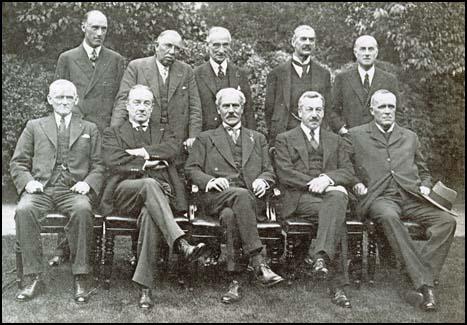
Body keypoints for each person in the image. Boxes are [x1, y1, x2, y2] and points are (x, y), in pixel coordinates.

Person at [346, 89, 457, 311]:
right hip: (380, 197)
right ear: (372, 110)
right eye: (382, 107)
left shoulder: (409, 136)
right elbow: (345, 167)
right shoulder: (355, 135)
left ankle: (413, 274)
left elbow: (424, 170)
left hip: (412, 196)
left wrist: (425, 185)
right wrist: (356, 183)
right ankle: (424, 285)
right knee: (388, 216)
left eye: (391, 107)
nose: (387, 111)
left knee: (447, 221)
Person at [101, 85, 207, 309]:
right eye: (137, 103)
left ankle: (145, 288)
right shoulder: (113, 132)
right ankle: (180, 242)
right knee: (149, 183)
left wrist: (138, 153)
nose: (141, 108)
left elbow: (172, 149)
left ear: (152, 108)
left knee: (150, 215)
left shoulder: (164, 131)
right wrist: (149, 161)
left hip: (160, 196)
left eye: (146, 103)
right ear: (127, 106)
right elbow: (112, 158)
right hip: (125, 193)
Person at [185, 88, 284, 304]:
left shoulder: (257, 138)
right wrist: (210, 181)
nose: (231, 110)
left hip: (247, 203)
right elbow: (191, 169)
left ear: (242, 108)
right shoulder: (205, 138)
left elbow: (269, 170)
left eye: (235, 106)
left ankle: (234, 281)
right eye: (226, 106)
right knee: (238, 195)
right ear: (218, 110)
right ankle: (258, 262)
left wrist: (263, 180)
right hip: (215, 199)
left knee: (231, 215)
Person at [10, 80, 105, 303]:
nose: (64, 102)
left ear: (76, 100)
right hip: (41, 188)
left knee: (82, 210)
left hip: (72, 190)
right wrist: (29, 182)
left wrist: (88, 183)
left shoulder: (89, 128)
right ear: (49, 100)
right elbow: (18, 162)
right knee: (24, 210)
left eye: (68, 97)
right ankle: (33, 277)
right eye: (59, 97)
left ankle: (81, 275)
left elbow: (100, 165)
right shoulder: (35, 126)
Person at [52, 9, 125, 268]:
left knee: (97, 186)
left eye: (104, 29)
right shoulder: (68, 58)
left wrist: (113, 128)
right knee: (71, 182)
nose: (99, 33)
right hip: (77, 133)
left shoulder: (115, 59)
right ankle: (66, 246)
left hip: (105, 133)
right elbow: (61, 96)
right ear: (83, 27)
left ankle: (91, 246)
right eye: (94, 28)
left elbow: (120, 98)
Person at [274, 91, 355, 308]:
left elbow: (348, 171)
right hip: (299, 198)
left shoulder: (335, 140)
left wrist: (328, 178)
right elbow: (285, 173)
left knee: (336, 203)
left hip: (328, 196)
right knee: (338, 204)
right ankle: (338, 285)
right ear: (300, 112)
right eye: (309, 109)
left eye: (318, 109)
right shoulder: (284, 139)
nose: (314, 114)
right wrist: (316, 183)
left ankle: (322, 259)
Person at [111, 30, 202, 154]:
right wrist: (115, 133)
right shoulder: (137, 67)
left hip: (177, 139)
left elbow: (195, 107)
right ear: (156, 46)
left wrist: (193, 136)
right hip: (145, 136)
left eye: (177, 49)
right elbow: (123, 102)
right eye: (168, 46)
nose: (172, 52)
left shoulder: (186, 71)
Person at [265, 25, 331, 146]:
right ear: (293, 42)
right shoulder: (276, 74)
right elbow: (269, 110)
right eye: (303, 39)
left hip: (314, 137)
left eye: (311, 40)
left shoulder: (324, 74)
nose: (308, 43)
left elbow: (327, 109)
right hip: (285, 135)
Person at [328, 35, 400, 135]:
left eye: (370, 49)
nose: (367, 53)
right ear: (355, 52)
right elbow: (332, 111)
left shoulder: (389, 80)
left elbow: (398, 112)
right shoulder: (342, 79)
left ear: (376, 53)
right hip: (350, 140)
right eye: (363, 49)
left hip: (380, 142)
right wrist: (343, 131)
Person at [194, 26, 256, 131]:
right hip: (208, 138)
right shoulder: (196, 74)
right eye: (216, 45)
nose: (221, 50)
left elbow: (248, 111)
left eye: (225, 45)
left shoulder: (240, 73)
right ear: (207, 46)